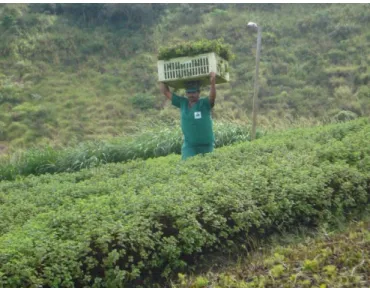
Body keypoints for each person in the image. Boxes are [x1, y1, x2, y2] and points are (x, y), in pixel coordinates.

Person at [160, 72, 217, 160]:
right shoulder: (183, 103)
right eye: (189, 92)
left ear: (198, 93)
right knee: (187, 166)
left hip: (206, 145)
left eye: (194, 92)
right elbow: (165, 92)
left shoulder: (204, 103)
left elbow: (212, 97)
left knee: (208, 167)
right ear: (186, 93)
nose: (191, 95)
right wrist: (162, 78)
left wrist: (212, 82)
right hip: (190, 146)